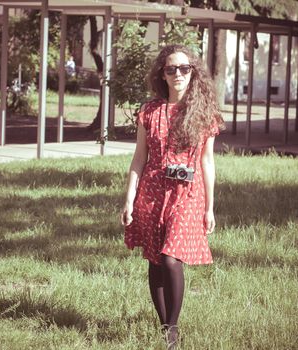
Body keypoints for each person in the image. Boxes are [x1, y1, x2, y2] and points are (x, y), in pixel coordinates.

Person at [121, 44, 224, 349]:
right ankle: (165, 327)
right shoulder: (150, 111)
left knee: (170, 259)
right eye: (170, 69)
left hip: (188, 193)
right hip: (152, 191)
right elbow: (139, 158)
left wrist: (210, 207)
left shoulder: (204, 113)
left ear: (193, 73)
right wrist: (128, 198)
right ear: (162, 74)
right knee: (154, 261)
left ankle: (173, 328)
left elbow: (207, 161)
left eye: (184, 68)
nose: (177, 74)